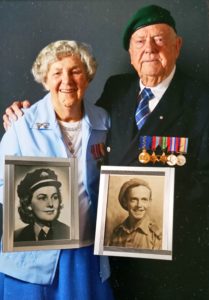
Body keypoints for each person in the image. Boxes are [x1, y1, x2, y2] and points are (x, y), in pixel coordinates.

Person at [2, 4, 209, 299]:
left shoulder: (197, 103)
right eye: (140, 41)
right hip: (39, 254)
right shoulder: (26, 124)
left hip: (131, 253)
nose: (149, 48)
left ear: (177, 46)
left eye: (159, 39)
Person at [0, 40, 114, 300]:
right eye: (57, 72)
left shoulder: (104, 122)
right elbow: (1, 185)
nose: (67, 80)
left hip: (87, 254)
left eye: (75, 70)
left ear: (87, 76)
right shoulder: (21, 123)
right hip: (33, 256)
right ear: (44, 80)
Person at [14, 168, 70, 242]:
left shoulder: (68, 233)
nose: (50, 204)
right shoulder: (17, 236)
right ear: (28, 204)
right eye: (42, 198)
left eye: (55, 197)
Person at [109, 178, 162, 250]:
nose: (139, 205)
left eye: (144, 199)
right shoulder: (117, 232)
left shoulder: (156, 235)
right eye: (133, 199)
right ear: (125, 202)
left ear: (149, 202)